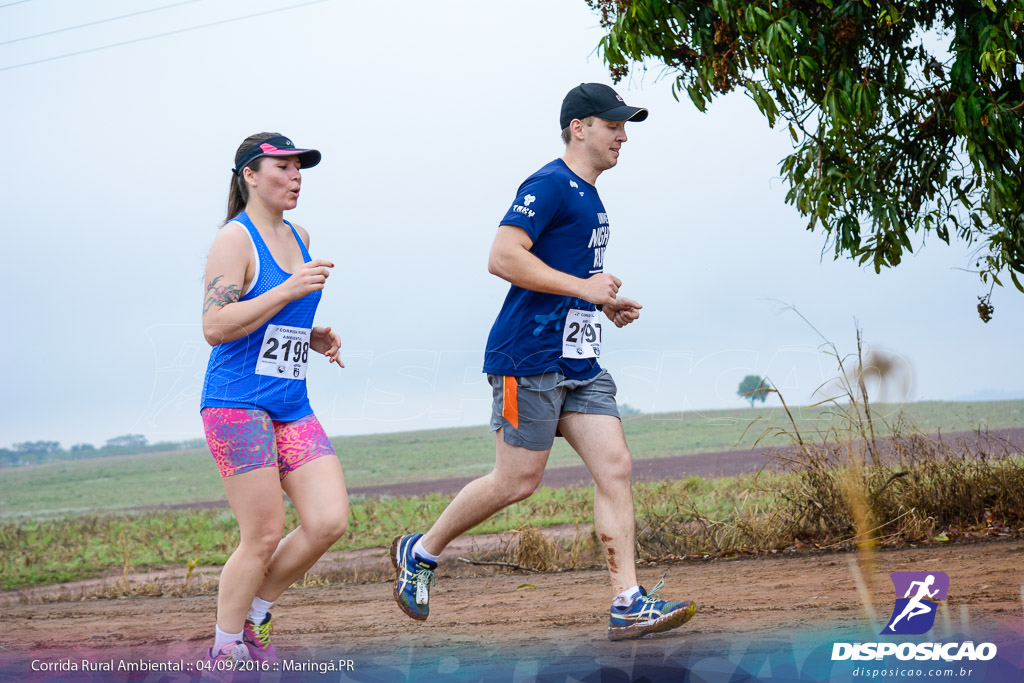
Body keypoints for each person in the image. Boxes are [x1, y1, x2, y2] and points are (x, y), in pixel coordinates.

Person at [391, 84, 697, 641]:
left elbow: (567, 281)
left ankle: (627, 601)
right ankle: (422, 549)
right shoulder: (550, 184)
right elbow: (502, 256)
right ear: (579, 127)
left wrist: (599, 302)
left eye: (625, 127)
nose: (623, 136)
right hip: (526, 358)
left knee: (617, 467)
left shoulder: (591, 196)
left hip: (579, 360)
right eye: (613, 126)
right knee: (517, 481)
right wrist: (586, 287)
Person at [199, 133, 349, 665]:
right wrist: (287, 289)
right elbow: (215, 325)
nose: (295, 176)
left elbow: (266, 321)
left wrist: (310, 336)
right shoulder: (234, 240)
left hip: (289, 402)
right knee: (261, 535)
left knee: (329, 519)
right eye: (282, 167)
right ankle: (225, 651)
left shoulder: (299, 235)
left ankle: (258, 610)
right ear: (249, 176)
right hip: (236, 404)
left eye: (299, 167)